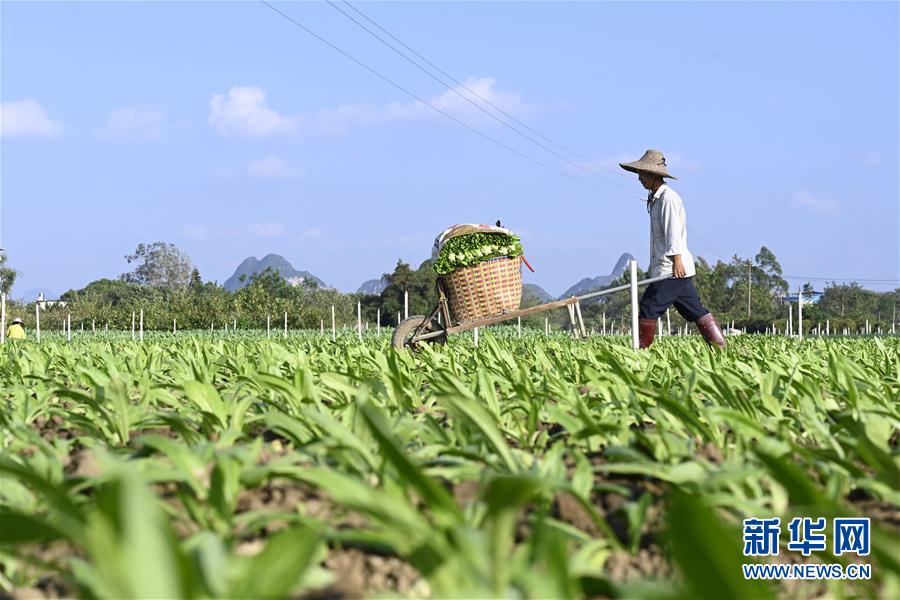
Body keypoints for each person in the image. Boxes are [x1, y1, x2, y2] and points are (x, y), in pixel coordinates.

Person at [619, 149, 726, 349]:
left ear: (654, 175)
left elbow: (673, 231)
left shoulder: (668, 198)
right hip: (669, 267)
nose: (640, 179)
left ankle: (640, 352)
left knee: (648, 308)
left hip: (672, 268)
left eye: (642, 174)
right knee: (695, 310)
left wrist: (677, 261)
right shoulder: (655, 198)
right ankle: (720, 348)